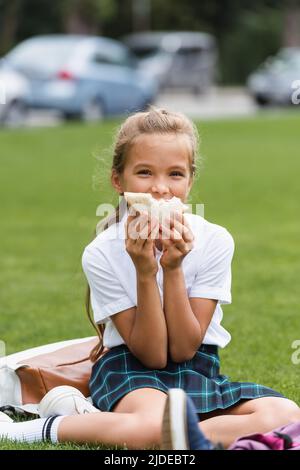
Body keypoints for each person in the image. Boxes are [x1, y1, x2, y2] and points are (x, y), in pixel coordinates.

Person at [1, 107, 299, 450]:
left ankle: (152, 430)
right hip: (130, 367)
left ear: (190, 181)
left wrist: (173, 268)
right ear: (119, 180)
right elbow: (153, 356)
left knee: (284, 412)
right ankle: (40, 429)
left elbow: (185, 348)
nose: (160, 189)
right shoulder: (102, 252)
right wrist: (146, 272)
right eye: (144, 173)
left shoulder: (216, 241)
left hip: (198, 367)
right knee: (151, 425)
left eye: (175, 174)